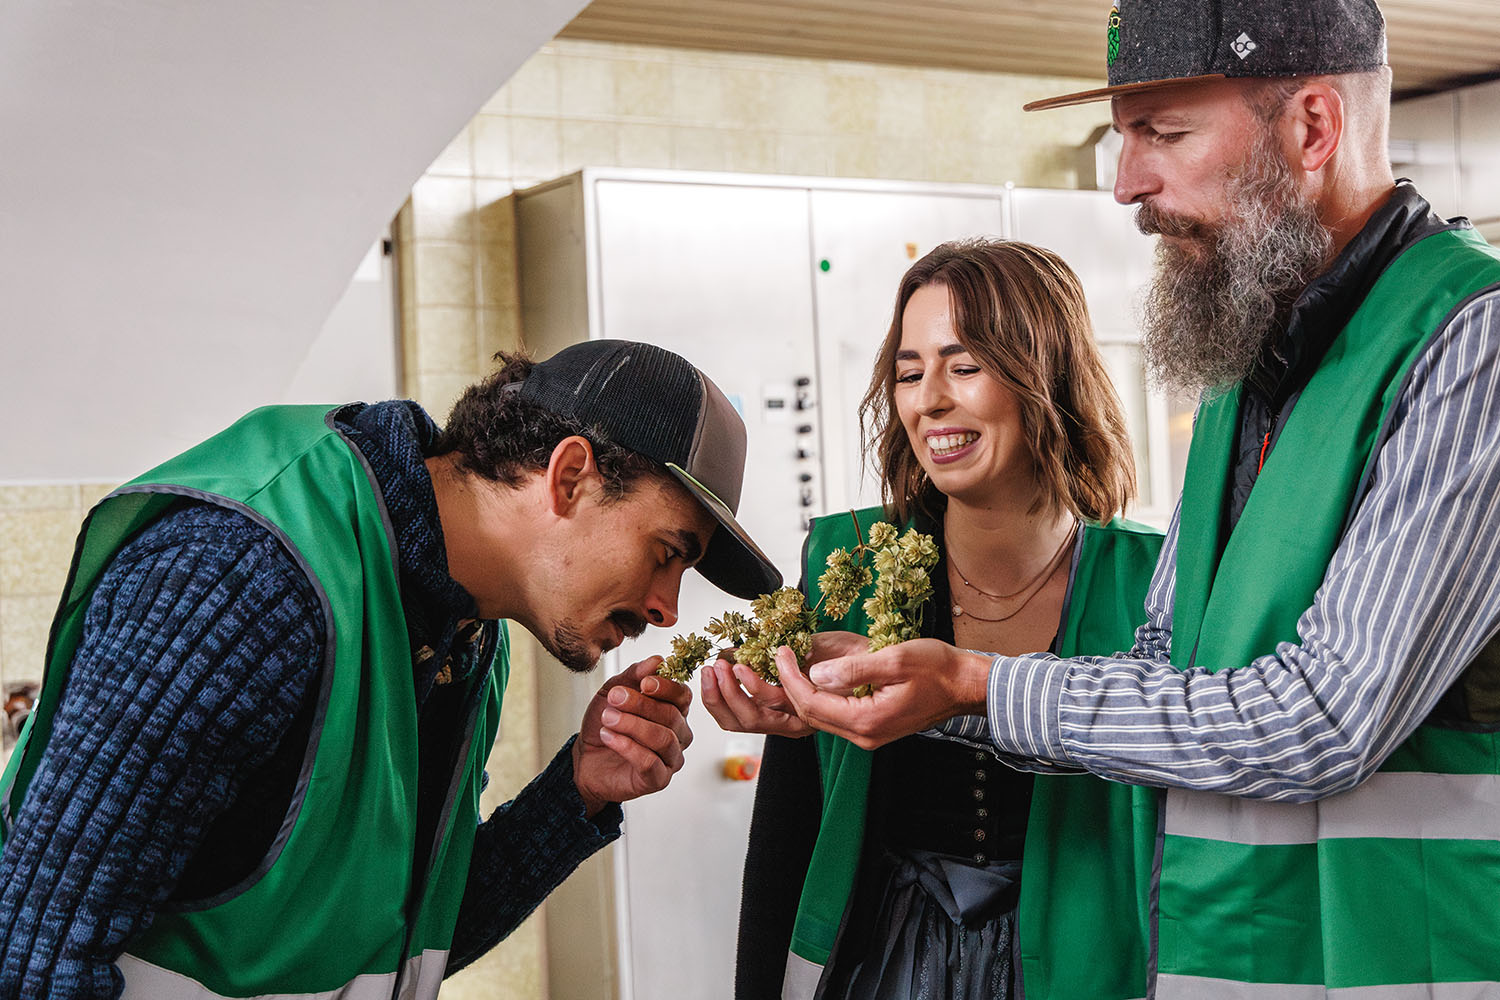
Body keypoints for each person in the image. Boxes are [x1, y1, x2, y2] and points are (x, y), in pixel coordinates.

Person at [774, 1, 1500, 996]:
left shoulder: (1471, 344)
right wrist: (927, 694)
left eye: (1162, 132)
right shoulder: (1242, 372)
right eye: (1122, 137)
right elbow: (1163, 681)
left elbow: (1325, 717)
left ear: (1314, 128)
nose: (1125, 184)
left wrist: (981, 683)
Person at [0, 339, 781, 999]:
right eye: (668, 553)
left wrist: (574, 792)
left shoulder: (467, 634)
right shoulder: (251, 575)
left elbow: (391, 947)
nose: (668, 608)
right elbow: (35, 947)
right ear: (569, 475)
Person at [703, 239, 1163, 1000]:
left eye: (965, 365)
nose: (928, 399)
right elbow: (787, 833)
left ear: (1045, 373)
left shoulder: (1150, 582)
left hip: (1088, 964)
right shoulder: (843, 563)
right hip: (883, 968)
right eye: (909, 373)